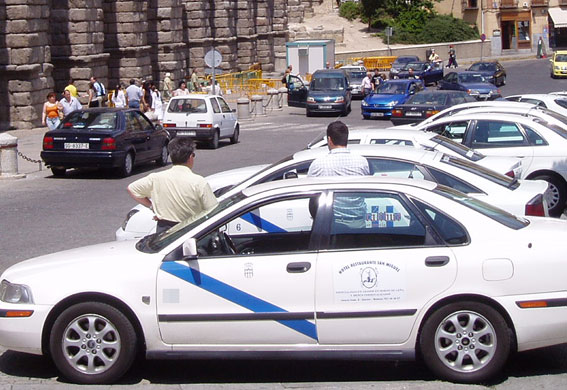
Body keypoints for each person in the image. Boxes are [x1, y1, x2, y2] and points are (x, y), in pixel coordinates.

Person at [127, 137, 218, 233]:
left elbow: (132, 189)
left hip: (164, 230)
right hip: (191, 230)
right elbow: (213, 210)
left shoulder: (156, 178)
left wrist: (152, 207)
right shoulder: (199, 182)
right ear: (190, 157)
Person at [307, 121, 370, 228]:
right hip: (357, 224)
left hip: (330, 224)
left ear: (329, 140)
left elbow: (309, 191)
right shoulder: (362, 162)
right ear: (346, 139)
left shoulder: (318, 164)